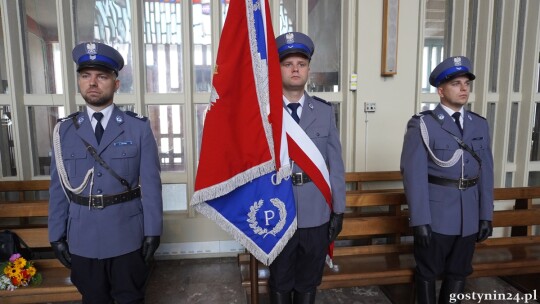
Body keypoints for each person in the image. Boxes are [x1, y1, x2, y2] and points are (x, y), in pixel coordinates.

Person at [48, 42, 163, 304]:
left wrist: (153, 231)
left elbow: (152, 185)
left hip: (127, 235)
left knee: (130, 298)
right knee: (93, 299)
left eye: (101, 76)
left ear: (116, 83)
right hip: (82, 237)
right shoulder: (63, 132)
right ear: (78, 81)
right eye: (86, 75)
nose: (93, 83)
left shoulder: (137, 128)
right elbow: (58, 188)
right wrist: (55, 235)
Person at [400, 56, 494, 304]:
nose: (464, 88)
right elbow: (414, 175)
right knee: (428, 272)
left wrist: (486, 215)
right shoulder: (423, 125)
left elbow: (486, 173)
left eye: (466, 83)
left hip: (469, 217)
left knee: (459, 272)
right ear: (441, 90)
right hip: (437, 216)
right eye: (456, 83)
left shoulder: (479, 125)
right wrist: (420, 220)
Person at [269, 32, 346, 304]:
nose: (295, 69)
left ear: (308, 70)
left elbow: (335, 163)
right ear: (277, 69)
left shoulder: (324, 112)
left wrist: (338, 209)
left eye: (301, 64)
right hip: (276, 211)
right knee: (279, 279)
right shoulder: (265, 113)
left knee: (308, 280)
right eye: (288, 63)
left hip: (316, 210)